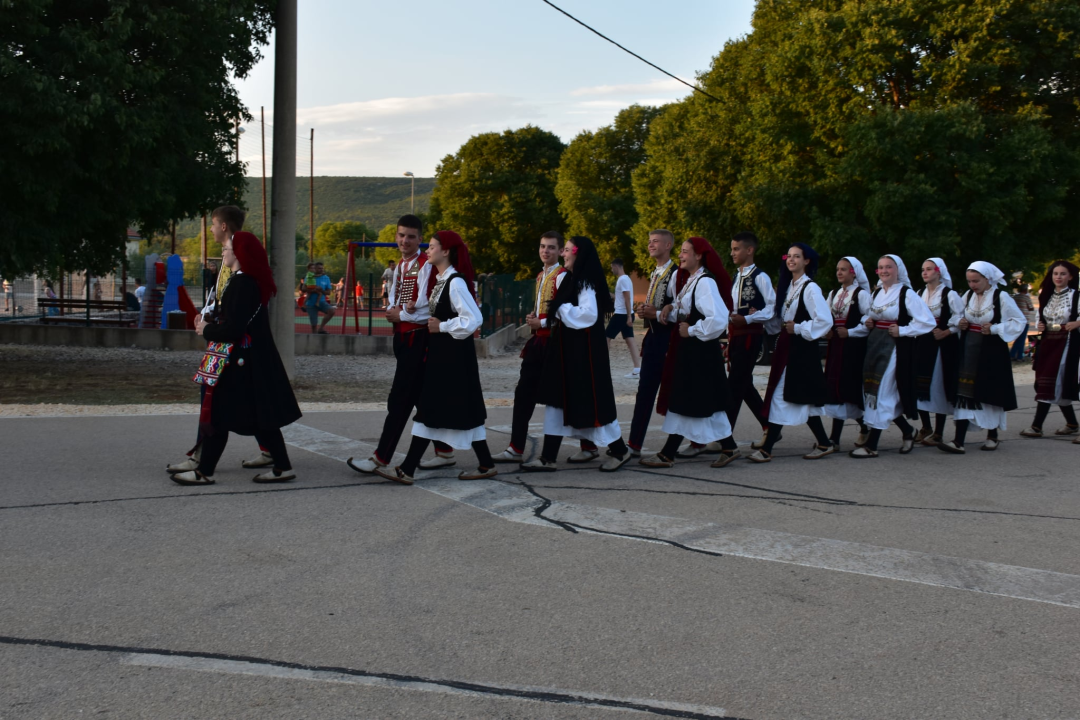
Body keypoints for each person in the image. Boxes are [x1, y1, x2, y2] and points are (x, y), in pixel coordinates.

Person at [170, 231, 302, 485]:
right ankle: (282, 466)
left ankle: (204, 471)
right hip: (247, 360)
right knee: (259, 414)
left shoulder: (242, 283)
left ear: (239, 253)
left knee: (218, 414)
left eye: (227, 249)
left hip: (238, 361)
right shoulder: (247, 282)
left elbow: (233, 329)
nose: (223, 253)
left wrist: (205, 330)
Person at [376, 231, 496, 484]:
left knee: (431, 408)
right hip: (445, 356)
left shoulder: (455, 282)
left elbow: (474, 319)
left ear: (446, 251)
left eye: (431, 247)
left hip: (452, 358)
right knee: (462, 409)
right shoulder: (443, 280)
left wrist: (441, 327)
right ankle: (486, 463)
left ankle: (408, 468)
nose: (427, 251)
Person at [167, 206, 274, 474]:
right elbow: (218, 298)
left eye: (213, 224)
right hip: (224, 339)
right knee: (246, 400)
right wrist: (204, 316)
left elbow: (236, 306)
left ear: (224, 226)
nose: (211, 229)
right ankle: (272, 451)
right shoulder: (231, 261)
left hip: (230, 344)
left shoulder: (238, 262)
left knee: (212, 399)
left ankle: (201, 460)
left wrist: (212, 326)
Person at [347, 215, 456, 475]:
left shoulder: (425, 265)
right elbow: (399, 298)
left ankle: (380, 458)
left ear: (420, 239)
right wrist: (394, 310)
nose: (404, 240)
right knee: (421, 397)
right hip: (403, 337)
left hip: (418, 338)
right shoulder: (400, 266)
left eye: (410, 236)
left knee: (399, 400)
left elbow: (430, 307)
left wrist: (401, 315)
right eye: (401, 235)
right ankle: (445, 451)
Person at [522, 236, 632, 472]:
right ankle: (548, 457)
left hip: (584, 357)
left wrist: (560, 308)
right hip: (567, 351)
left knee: (590, 402)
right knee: (557, 400)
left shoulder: (584, 283)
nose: (563, 254)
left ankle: (620, 450)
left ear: (578, 254)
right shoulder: (573, 280)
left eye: (568, 250)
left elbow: (588, 315)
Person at [640, 238, 739, 468]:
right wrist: (667, 309)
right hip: (691, 351)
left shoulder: (704, 283)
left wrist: (692, 330)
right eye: (681, 251)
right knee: (702, 401)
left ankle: (667, 453)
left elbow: (718, 318)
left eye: (685, 252)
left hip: (700, 352)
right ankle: (729, 445)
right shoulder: (690, 281)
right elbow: (683, 310)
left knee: (689, 399)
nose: (681, 255)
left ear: (699, 256)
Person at [747, 244, 834, 462]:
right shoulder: (789, 287)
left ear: (807, 261)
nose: (791, 260)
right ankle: (824, 442)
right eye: (789, 256)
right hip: (789, 347)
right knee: (804, 398)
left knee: (780, 396)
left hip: (801, 349)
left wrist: (799, 328)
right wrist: (761, 315)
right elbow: (781, 323)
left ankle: (767, 449)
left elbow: (824, 321)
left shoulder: (810, 288)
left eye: (797, 256)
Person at [846, 255, 936, 458]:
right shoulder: (877, 292)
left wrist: (903, 330)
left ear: (898, 270)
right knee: (874, 390)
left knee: (882, 392)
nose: (884, 270)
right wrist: (868, 321)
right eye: (880, 267)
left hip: (895, 348)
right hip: (875, 345)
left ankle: (872, 445)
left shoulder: (907, 293)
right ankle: (907, 431)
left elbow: (928, 322)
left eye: (889, 267)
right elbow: (869, 314)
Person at [492, 232, 568, 463]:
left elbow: (567, 313)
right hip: (538, 341)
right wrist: (534, 318)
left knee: (562, 397)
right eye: (543, 246)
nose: (546, 251)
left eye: (552, 248)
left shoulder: (563, 276)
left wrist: (542, 321)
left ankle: (589, 444)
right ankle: (516, 447)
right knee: (523, 393)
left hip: (556, 343)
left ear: (561, 251)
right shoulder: (540, 276)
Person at [939, 262, 1026, 453]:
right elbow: (956, 316)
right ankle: (958, 441)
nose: (972, 285)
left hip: (991, 351)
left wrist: (995, 328)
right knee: (964, 392)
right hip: (969, 348)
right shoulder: (968, 296)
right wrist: (960, 322)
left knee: (989, 389)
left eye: (976, 281)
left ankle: (992, 435)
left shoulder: (1000, 296)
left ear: (988, 279)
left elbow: (1019, 320)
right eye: (970, 281)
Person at [625, 229, 687, 458]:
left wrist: (658, 312)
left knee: (674, 393)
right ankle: (634, 442)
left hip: (668, 340)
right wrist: (644, 311)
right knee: (645, 391)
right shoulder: (655, 273)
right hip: (652, 338)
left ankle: (704, 439)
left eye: (655, 242)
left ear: (668, 244)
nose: (650, 245)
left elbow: (684, 309)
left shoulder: (677, 274)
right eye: (649, 241)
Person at [1020, 260, 1080, 440]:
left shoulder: (1076, 295)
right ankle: (1071, 423)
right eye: (1055, 274)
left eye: (1062, 274)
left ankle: (1036, 426)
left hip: (1068, 341)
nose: (1059, 277)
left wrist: (1077, 322)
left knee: (1055, 380)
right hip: (1047, 341)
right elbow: (1042, 318)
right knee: (1049, 379)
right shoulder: (1046, 295)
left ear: (1070, 276)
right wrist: (1040, 324)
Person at [727, 231, 775, 448]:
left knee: (735, 384)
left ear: (750, 250)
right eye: (732, 249)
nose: (732, 253)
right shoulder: (737, 276)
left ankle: (724, 436)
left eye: (737, 249)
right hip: (736, 336)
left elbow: (771, 309)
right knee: (744, 384)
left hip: (750, 336)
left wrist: (748, 318)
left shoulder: (760, 277)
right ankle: (769, 426)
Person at [821, 257, 871, 450]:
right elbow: (825, 316)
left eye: (843, 269)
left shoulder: (861, 294)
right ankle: (838, 437)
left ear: (853, 272)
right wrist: (827, 329)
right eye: (838, 269)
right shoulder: (833, 293)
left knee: (849, 389)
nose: (839, 273)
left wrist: (850, 332)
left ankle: (846, 434)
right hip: (835, 347)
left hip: (853, 349)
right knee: (835, 388)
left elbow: (868, 321)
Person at [914, 258, 965, 446]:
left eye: (929, 269)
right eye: (923, 269)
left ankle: (938, 432)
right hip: (922, 344)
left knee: (938, 385)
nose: (925, 273)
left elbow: (960, 318)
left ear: (939, 272)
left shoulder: (949, 295)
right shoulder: (919, 293)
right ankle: (925, 426)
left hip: (942, 346)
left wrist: (947, 331)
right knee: (920, 385)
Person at [606, 258, 641, 378]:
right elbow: (620, 298)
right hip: (625, 314)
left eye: (612, 267)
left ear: (616, 266)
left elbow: (627, 299)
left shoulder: (623, 280)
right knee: (630, 340)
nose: (611, 270)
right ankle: (637, 369)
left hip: (621, 315)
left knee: (606, 337)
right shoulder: (625, 280)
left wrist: (628, 317)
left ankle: (602, 365)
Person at [302, 262, 335, 333]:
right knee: (314, 325)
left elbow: (328, 292)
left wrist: (321, 290)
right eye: (319, 268)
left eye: (322, 268)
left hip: (322, 302)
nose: (321, 270)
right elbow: (303, 289)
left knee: (331, 311)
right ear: (315, 269)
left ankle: (321, 328)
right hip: (310, 304)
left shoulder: (326, 278)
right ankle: (315, 337)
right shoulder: (309, 277)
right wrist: (312, 290)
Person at [1011, 284, 1036, 361]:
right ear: (1025, 290)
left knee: (1019, 338)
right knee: (1022, 339)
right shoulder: (1026, 297)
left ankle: (1013, 354)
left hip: (1016, 320)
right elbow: (1031, 307)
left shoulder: (1015, 297)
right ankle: (1018, 356)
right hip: (1024, 320)